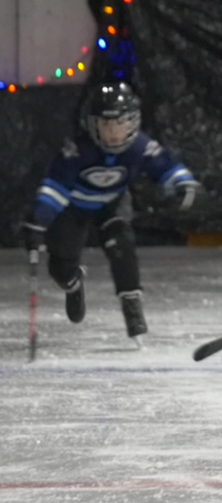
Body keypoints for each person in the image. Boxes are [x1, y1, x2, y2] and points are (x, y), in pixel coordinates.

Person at [22, 82, 200, 345]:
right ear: (93, 125)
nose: (114, 134)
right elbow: (56, 187)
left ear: (133, 124)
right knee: (60, 267)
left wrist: (182, 183)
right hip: (73, 208)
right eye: (107, 126)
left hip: (111, 205)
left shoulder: (139, 146)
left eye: (121, 125)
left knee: (121, 244)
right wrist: (39, 220)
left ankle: (131, 305)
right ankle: (73, 283)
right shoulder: (76, 151)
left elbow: (164, 164)